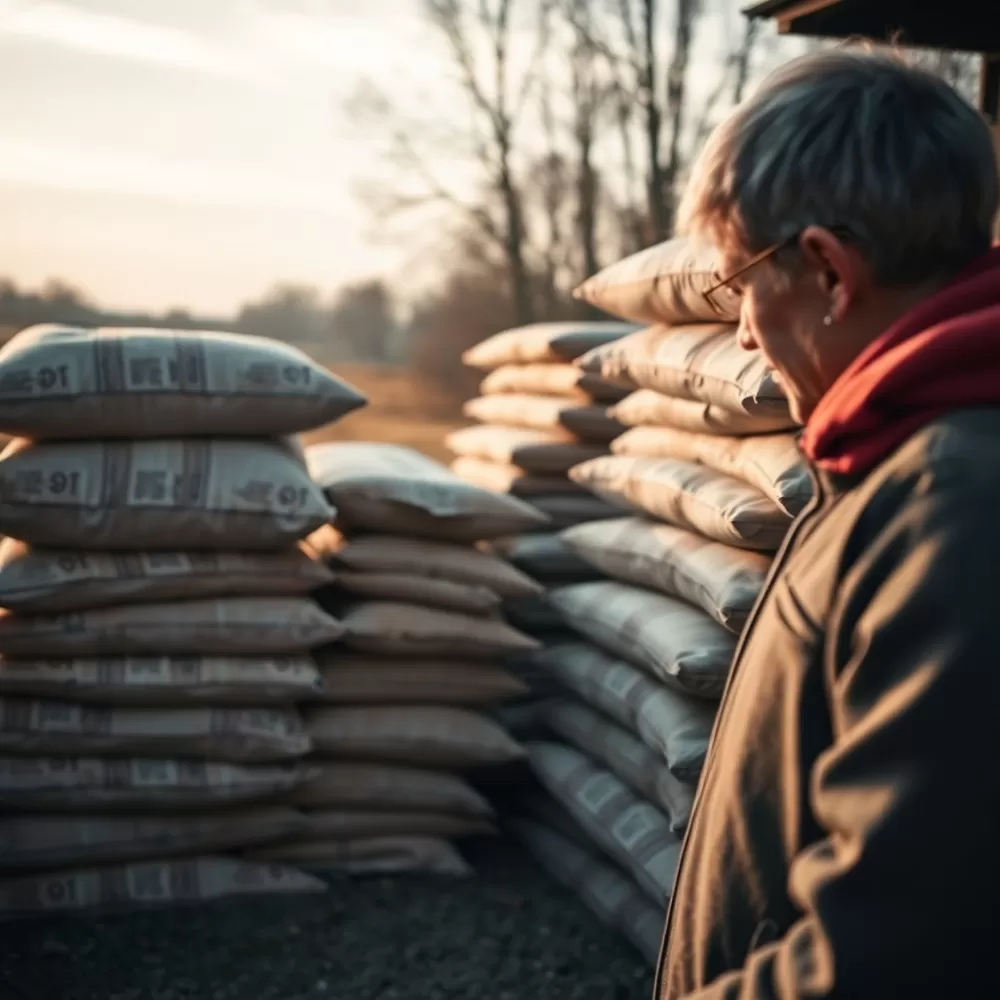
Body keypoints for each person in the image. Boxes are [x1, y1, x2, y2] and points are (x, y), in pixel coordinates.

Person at [655, 47, 1000, 998]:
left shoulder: (952, 509)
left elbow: (896, 947)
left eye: (739, 284)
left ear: (830, 273)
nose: (743, 333)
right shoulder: (893, 462)